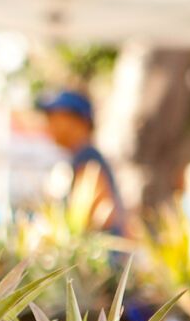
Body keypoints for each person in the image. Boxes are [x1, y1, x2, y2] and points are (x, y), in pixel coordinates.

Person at [38, 89, 125, 233]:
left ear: (79, 121)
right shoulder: (78, 158)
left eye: (55, 117)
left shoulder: (88, 158)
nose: (49, 124)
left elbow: (99, 213)